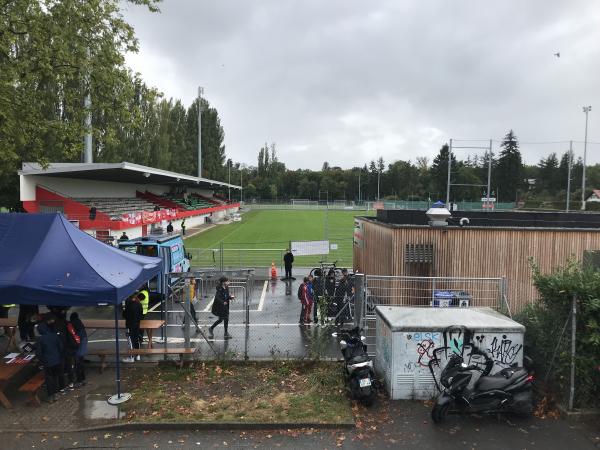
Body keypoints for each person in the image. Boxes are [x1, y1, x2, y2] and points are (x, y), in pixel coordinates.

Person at [36, 321, 65, 403]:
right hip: (57, 360)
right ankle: (56, 394)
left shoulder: (40, 339)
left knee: (49, 379)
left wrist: (41, 361)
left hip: (48, 362)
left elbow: (39, 352)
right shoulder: (55, 336)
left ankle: (51, 395)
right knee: (55, 377)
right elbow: (61, 347)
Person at [69, 312, 87, 386]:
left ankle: (79, 380)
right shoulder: (79, 323)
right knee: (80, 362)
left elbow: (74, 338)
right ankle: (82, 379)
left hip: (78, 345)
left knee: (77, 364)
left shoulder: (72, 324)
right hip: (83, 343)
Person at [123, 293, 143, 362]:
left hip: (129, 325)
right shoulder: (139, 304)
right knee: (136, 339)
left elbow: (125, 315)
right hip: (137, 324)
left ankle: (131, 357)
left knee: (130, 340)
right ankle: (138, 355)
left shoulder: (128, 305)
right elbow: (141, 315)